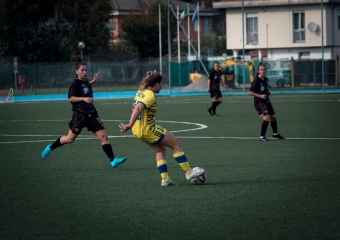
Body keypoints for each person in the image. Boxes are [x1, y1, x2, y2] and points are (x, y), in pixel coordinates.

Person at [119, 71, 204, 186]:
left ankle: (165, 179)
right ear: (157, 84)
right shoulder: (150, 95)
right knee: (176, 144)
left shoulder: (140, 92)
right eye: (161, 83)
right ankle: (189, 172)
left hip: (138, 130)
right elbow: (138, 108)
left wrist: (132, 126)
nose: (162, 86)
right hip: (147, 129)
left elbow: (135, 108)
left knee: (160, 150)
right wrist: (129, 124)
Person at [41, 56, 127, 168]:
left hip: (92, 113)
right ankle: (50, 147)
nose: (85, 72)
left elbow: (86, 87)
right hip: (80, 115)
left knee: (104, 136)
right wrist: (84, 99)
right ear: (77, 71)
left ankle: (112, 160)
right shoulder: (75, 83)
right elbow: (70, 98)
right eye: (82, 70)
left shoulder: (85, 81)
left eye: (86, 70)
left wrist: (94, 81)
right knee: (69, 139)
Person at [249, 63, 285, 141]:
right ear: (258, 71)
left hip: (266, 101)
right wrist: (261, 96)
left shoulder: (266, 79)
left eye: (264, 69)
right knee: (267, 118)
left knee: (274, 117)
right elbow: (250, 92)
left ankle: (275, 134)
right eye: (261, 70)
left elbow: (264, 89)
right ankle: (262, 137)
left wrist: (268, 93)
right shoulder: (256, 81)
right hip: (259, 102)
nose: (263, 71)